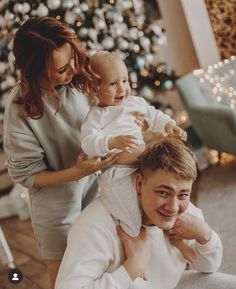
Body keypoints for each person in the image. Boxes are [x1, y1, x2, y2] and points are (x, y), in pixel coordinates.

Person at [3, 17, 119, 288]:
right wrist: (75, 173)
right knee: (65, 280)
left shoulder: (81, 80)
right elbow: (28, 176)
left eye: (73, 60)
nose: (73, 70)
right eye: (62, 69)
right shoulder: (20, 107)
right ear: (34, 70)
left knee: (108, 266)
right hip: (57, 212)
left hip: (98, 192)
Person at [55, 137, 223, 289]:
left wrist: (204, 235)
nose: (173, 207)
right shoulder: (95, 225)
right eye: (163, 193)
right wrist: (132, 267)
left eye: (183, 194)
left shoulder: (185, 216)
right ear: (139, 183)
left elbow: (209, 266)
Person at [80, 51, 195, 262]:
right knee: (131, 217)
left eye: (124, 80)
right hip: (117, 175)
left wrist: (170, 125)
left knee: (161, 205)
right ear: (94, 88)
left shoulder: (134, 102)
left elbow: (154, 115)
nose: (122, 88)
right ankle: (134, 253)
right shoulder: (96, 116)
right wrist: (112, 142)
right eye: (113, 84)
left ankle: (177, 241)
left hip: (143, 166)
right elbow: (88, 143)